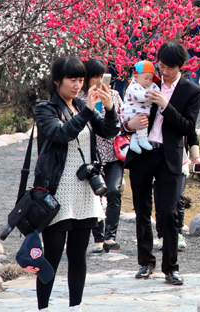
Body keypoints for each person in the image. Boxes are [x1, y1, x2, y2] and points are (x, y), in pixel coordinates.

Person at [33, 56, 120, 311]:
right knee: (52, 255)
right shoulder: (45, 109)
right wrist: (87, 110)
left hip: (84, 190)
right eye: (72, 79)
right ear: (57, 80)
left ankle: (75, 307)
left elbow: (108, 131)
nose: (77, 85)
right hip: (57, 191)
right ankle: (43, 307)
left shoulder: (82, 104)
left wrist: (109, 107)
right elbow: (62, 133)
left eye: (81, 80)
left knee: (78, 255)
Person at [123, 42, 200, 286]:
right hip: (143, 153)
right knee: (142, 210)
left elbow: (188, 128)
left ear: (180, 67)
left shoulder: (192, 91)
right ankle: (146, 263)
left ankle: (171, 267)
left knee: (168, 212)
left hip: (169, 156)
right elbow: (126, 113)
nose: (163, 72)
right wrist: (128, 126)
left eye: (168, 68)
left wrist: (165, 106)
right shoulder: (146, 82)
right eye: (161, 66)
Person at [78, 59, 125, 255]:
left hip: (112, 154)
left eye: (102, 76)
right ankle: (97, 238)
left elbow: (120, 123)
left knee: (113, 191)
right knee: (94, 194)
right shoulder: (80, 99)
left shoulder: (113, 95)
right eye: (94, 77)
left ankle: (110, 237)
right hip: (90, 155)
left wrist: (110, 106)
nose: (98, 81)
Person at [121, 61, 160, 154]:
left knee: (140, 123)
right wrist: (150, 95)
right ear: (136, 77)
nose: (148, 81)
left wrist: (157, 94)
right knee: (142, 121)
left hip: (140, 111)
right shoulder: (133, 86)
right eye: (146, 78)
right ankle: (142, 139)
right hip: (130, 112)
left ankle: (134, 142)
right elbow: (137, 96)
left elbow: (157, 90)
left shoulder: (149, 85)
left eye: (150, 79)